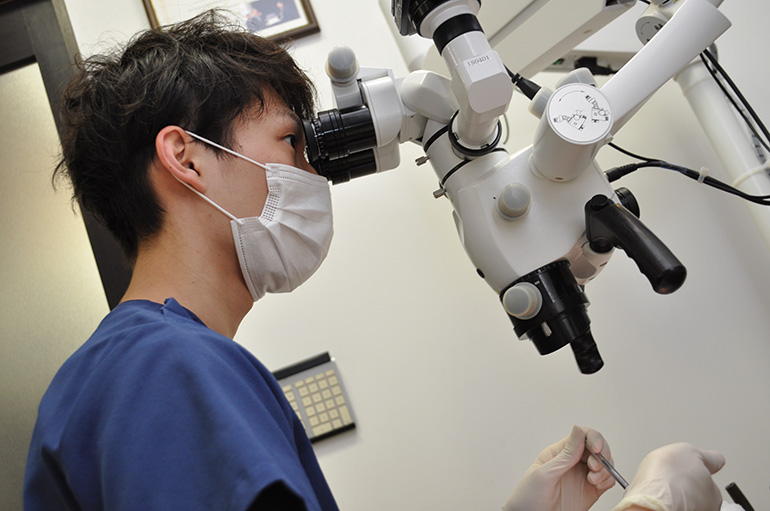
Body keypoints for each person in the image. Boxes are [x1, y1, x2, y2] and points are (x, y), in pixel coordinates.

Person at [23, 10, 729, 511]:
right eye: (292, 144)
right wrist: (653, 507)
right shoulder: (165, 369)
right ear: (186, 157)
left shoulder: (126, 368)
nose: (313, 176)